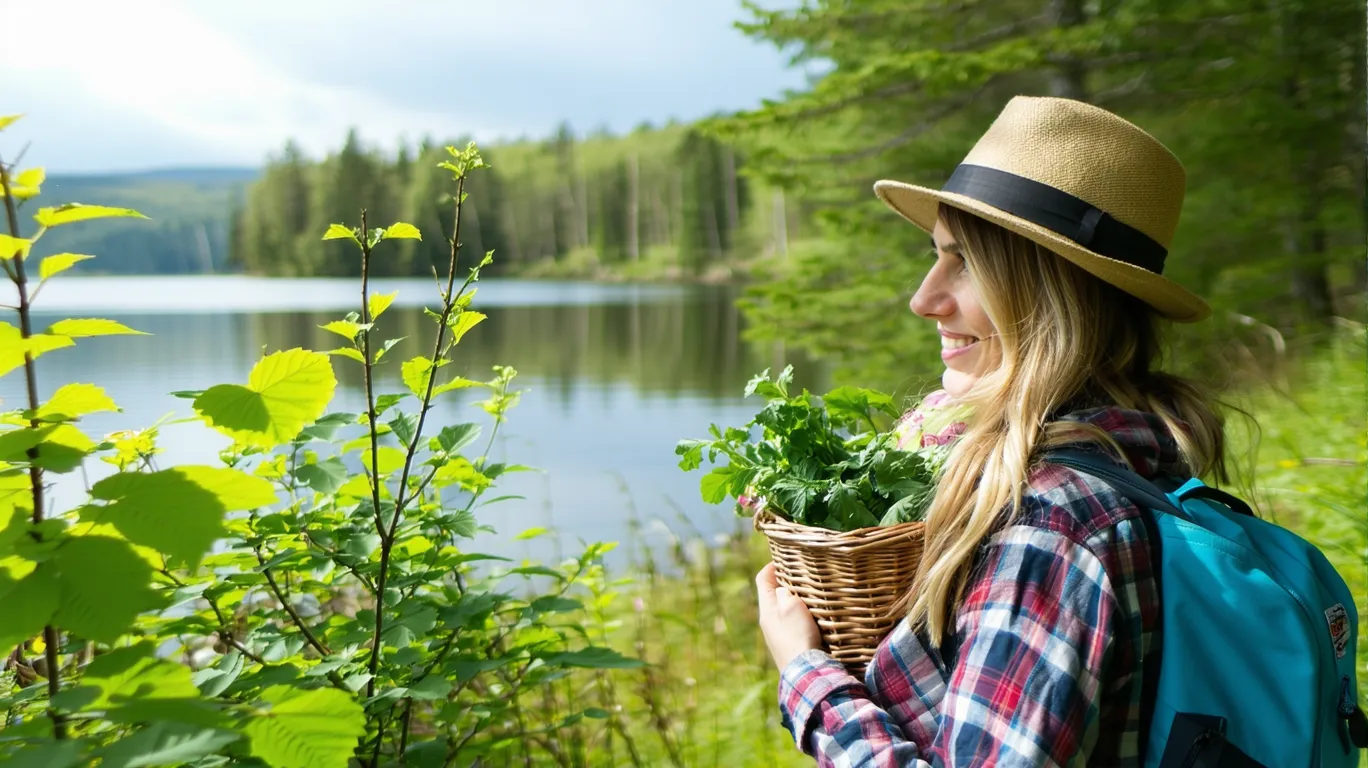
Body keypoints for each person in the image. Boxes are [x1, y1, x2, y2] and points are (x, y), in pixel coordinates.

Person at [755, 95, 1237, 766]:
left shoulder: (1052, 527)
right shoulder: (1132, 455)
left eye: (967, 264)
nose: (924, 299)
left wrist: (806, 673)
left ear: (1054, 297)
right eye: (936, 256)